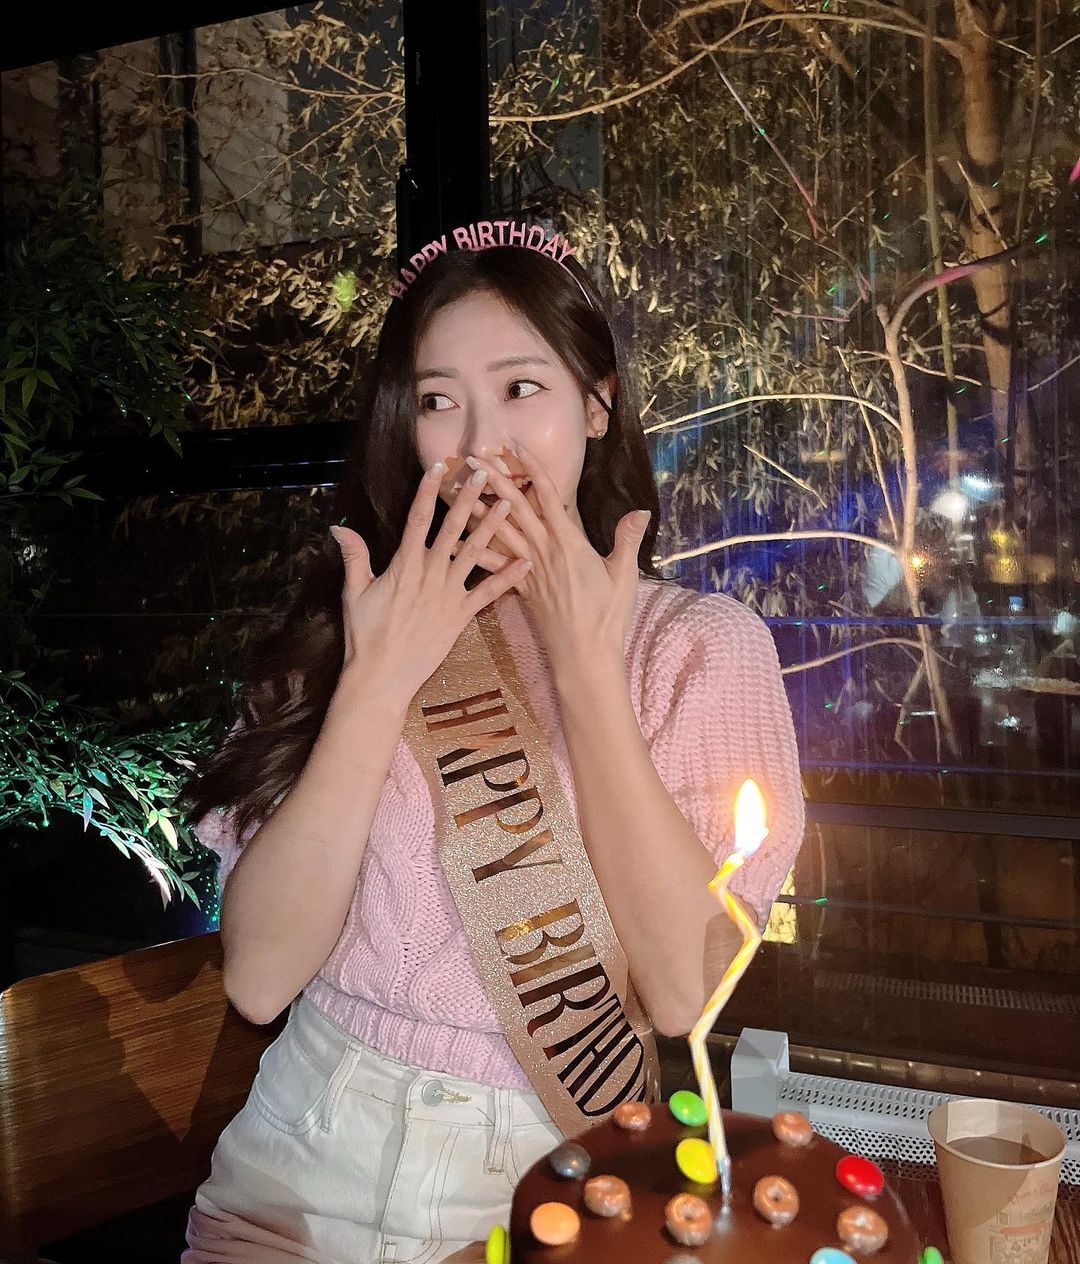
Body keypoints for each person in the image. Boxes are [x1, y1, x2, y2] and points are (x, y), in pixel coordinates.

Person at [180, 219, 805, 1264]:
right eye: (438, 401)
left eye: (521, 388)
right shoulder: (354, 626)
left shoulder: (700, 648)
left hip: (546, 1186)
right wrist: (375, 682)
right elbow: (259, 978)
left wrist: (586, 670)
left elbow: (681, 990)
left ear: (597, 403)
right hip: (290, 1181)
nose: (479, 443)